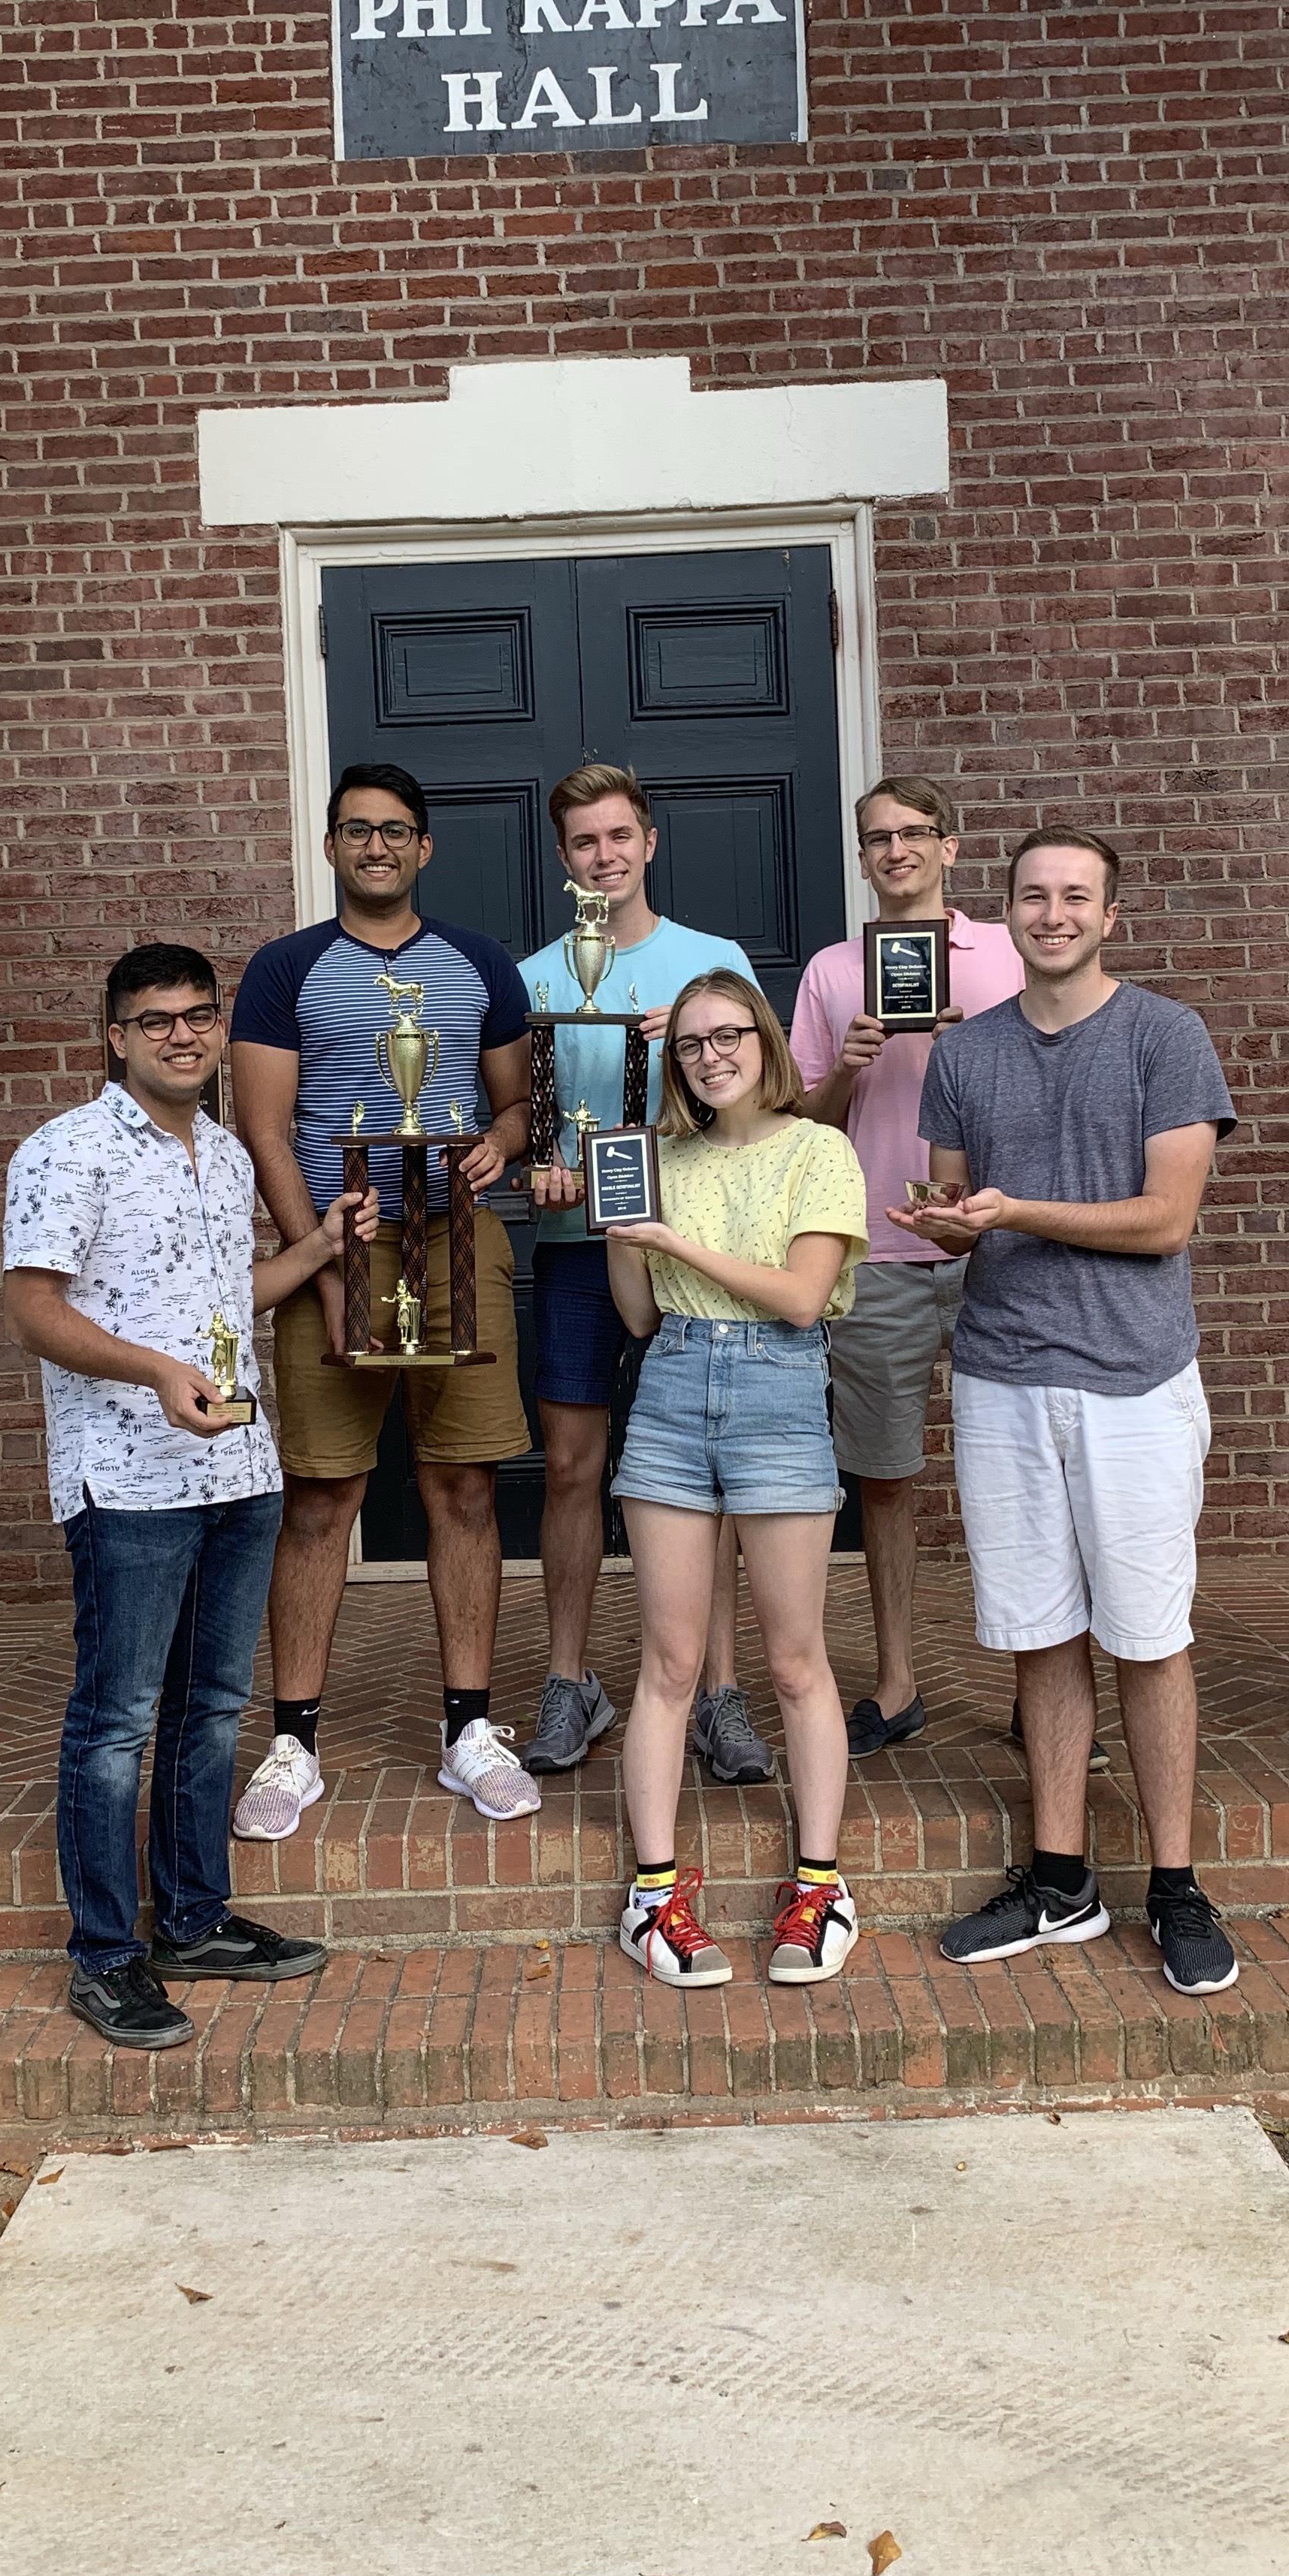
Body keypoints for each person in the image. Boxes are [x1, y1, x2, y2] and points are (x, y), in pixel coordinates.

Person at [2, 943, 375, 2048]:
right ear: (116, 1036)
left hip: (237, 1470)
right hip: (127, 1480)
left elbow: (224, 1295)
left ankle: (194, 1920)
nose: (182, 1035)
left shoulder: (223, 1152)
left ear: (219, 1029)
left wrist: (318, 1245)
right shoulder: (66, 1151)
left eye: (199, 1016)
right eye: (156, 1019)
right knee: (117, 1720)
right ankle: (105, 1955)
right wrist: (158, 1374)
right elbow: (34, 1308)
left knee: (213, 1706)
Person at [897, 827, 1241, 1997]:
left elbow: (1166, 1220)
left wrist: (1014, 1212)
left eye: (1076, 897)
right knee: (1040, 1633)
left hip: (1134, 1381)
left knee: (1148, 1636)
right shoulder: (964, 1053)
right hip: (1000, 1376)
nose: (1054, 914)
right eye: (1035, 896)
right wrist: (943, 1225)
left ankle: (1177, 1886)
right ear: (1008, 913)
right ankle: (1060, 1880)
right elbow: (957, 1212)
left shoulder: (1165, 1036)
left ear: (1110, 917)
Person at [227, 763, 543, 1838]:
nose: (376, 846)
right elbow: (266, 1130)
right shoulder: (286, 968)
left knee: (465, 1487)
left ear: (424, 848)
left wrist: (498, 1146)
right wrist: (319, 1267)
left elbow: (516, 1106)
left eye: (396, 830)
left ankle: (470, 1731)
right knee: (323, 1494)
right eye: (357, 830)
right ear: (330, 847)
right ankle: (294, 1744)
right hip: (336, 1240)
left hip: (454, 1242)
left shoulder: (480, 962)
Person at [603, 971, 870, 1988]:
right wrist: (623, 1237)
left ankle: (820, 1888)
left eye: (728, 1037)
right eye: (690, 1045)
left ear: (766, 1041)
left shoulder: (818, 1150)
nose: (711, 1057)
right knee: (670, 1663)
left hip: (778, 1390)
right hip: (671, 1387)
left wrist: (672, 1240)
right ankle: (654, 1899)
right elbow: (639, 1314)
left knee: (795, 1661)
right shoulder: (659, 1159)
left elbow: (803, 1298)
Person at [518, 762, 768, 1785]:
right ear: (562, 857)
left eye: (620, 836)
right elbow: (523, 1118)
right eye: (584, 841)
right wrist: (542, 1168)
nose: (604, 856)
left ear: (650, 842)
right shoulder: (535, 981)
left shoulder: (714, 963)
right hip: (579, 1253)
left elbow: (763, 1103)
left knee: (711, 1474)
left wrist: (691, 1048)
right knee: (572, 1468)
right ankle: (569, 1680)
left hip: (698, 1252)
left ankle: (719, 1692)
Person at [789, 774, 1025, 1758]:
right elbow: (800, 1125)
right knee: (885, 1476)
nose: (897, 851)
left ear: (950, 846)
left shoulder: (1008, 952)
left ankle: (1040, 1691)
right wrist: (849, 1065)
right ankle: (897, 1684)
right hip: (878, 1246)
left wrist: (987, 1053)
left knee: (1019, 1469)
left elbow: (1053, 1083)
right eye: (878, 837)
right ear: (862, 856)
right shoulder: (834, 972)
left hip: (1000, 1246)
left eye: (914, 833)